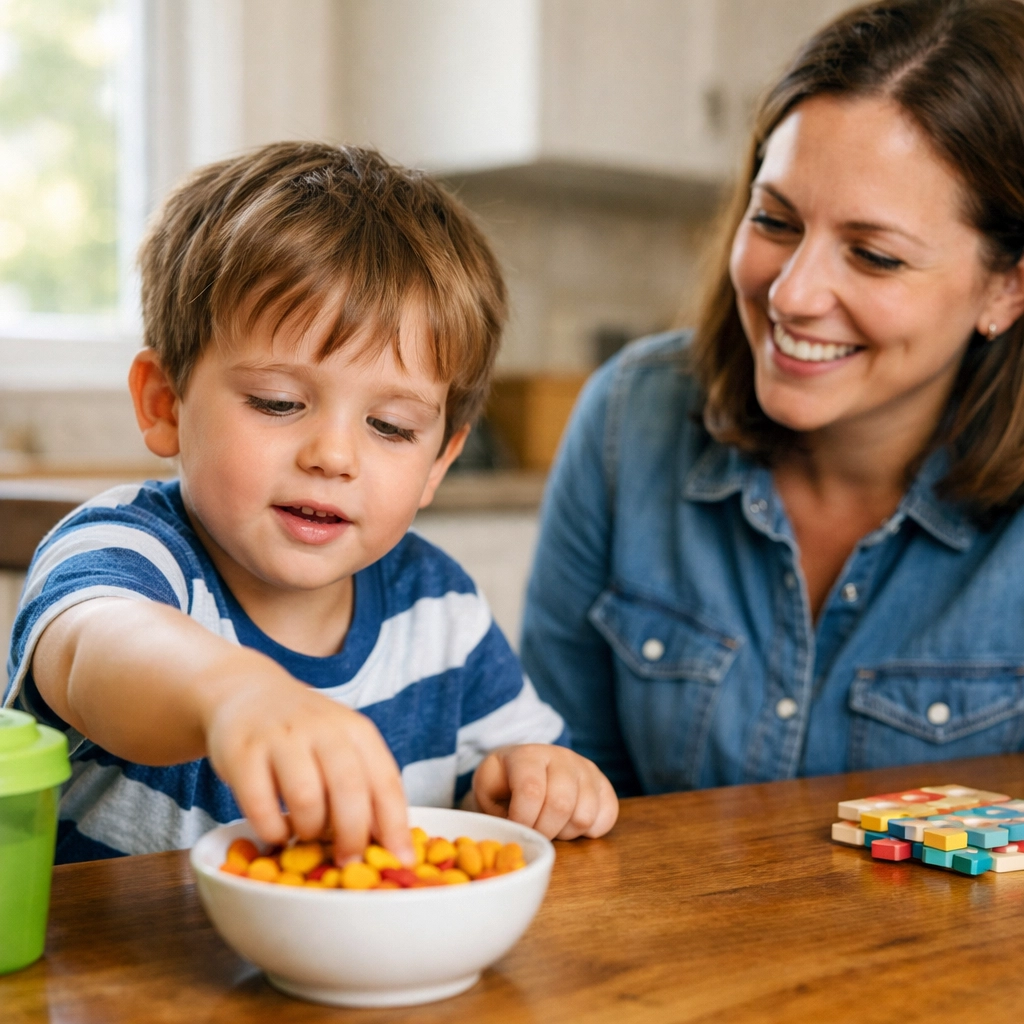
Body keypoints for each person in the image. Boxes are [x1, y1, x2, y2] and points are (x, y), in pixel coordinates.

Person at [4, 143, 618, 864]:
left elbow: (522, 757)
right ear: (165, 403)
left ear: (439, 462)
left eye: (391, 427)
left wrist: (531, 783)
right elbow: (91, 651)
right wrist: (233, 693)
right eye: (278, 402)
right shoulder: (130, 550)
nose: (334, 456)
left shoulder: (441, 610)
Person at [521, 0, 1024, 797]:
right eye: (775, 220)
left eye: (873, 255)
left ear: (1006, 287)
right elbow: (558, 766)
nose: (791, 294)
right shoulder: (631, 416)